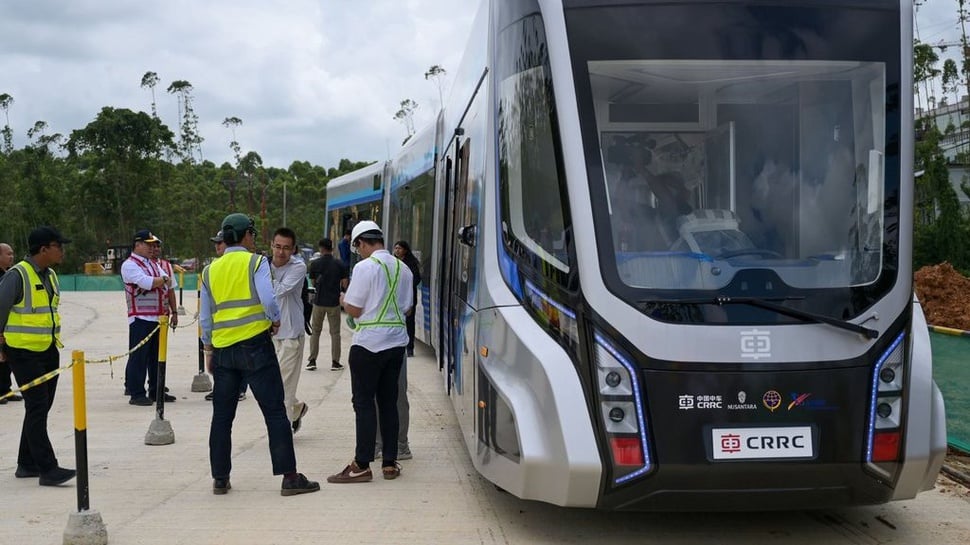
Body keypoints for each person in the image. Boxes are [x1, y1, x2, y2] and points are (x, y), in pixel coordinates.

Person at [201, 213, 319, 496]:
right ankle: (289, 477)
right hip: (256, 347)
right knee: (275, 412)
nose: (254, 239)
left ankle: (220, 477)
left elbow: (206, 319)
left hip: (224, 351)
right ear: (245, 236)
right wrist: (274, 319)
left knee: (222, 417)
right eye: (252, 234)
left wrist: (208, 349)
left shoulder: (209, 271)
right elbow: (269, 298)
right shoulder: (255, 262)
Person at [328, 220, 413, 483]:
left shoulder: (365, 267)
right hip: (396, 344)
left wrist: (343, 300)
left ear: (361, 243)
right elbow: (407, 308)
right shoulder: (404, 268)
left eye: (358, 248)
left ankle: (362, 463)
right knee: (389, 402)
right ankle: (389, 462)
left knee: (364, 403)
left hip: (368, 345)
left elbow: (353, 308)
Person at [0, 226, 76, 485]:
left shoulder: (51, 275)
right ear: (44, 249)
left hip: (47, 350)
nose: (62, 251)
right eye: (59, 246)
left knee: (40, 409)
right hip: (22, 352)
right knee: (37, 406)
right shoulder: (16, 275)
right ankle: (47, 468)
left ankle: (26, 462)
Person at [121, 229, 177, 406]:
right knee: (139, 357)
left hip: (158, 317)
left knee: (156, 358)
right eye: (148, 244)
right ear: (138, 245)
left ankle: (156, 391)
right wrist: (161, 279)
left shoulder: (150, 264)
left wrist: (160, 279)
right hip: (140, 318)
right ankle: (136, 393)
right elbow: (148, 282)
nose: (152, 247)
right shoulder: (129, 264)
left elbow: (166, 281)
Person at [269, 227, 310, 433]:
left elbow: (279, 291)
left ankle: (281, 434)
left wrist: (262, 277)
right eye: (277, 246)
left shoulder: (298, 267)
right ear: (271, 245)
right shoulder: (263, 266)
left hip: (291, 335)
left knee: (282, 387)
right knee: (273, 386)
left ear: (293, 249)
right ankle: (296, 409)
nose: (281, 252)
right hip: (268, 335)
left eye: (286, 248)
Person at [203, 230, 247, 403]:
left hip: (240, 322)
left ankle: (240, 389)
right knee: (222, 362)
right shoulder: (213, 268)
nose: (217, 246)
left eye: (220, 242)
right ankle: (222, 388)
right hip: (221, 325)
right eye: (215, 243)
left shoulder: (237, 266)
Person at [306, 238, 348, 371]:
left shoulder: (315, 264)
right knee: (335, 333)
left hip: (318, 302)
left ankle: (312, 360)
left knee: (315, 332)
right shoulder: (339, 264)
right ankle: (335, 362)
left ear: (321, 248)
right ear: (332, 248)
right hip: (334, 303)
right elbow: (345, 283)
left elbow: (312, 283)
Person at [0, 241, 22, 404]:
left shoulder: (10, 274)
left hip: (8, 325)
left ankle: (5, 390)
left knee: (5, 359)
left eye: (12, 254)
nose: (11, 257)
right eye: (8, 254)